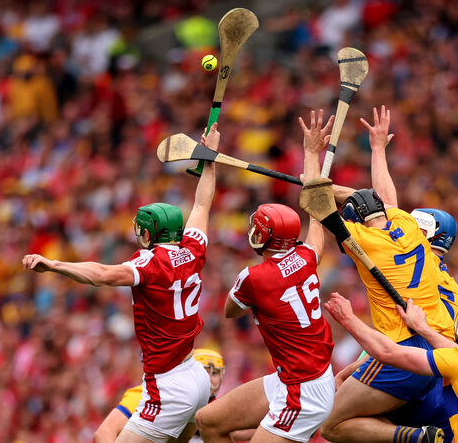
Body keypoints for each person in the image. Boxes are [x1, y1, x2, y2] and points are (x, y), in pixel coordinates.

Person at [23, 124, 221, 443]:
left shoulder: (149, 263)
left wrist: (55, 265)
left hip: (167, 384)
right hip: (195, 375)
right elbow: (201, 205)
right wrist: (209, 159)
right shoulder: (194, 247)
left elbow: (102, 275)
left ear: (149, 233)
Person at [196, 110, 336, 443]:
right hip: (293, 378)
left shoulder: (253, 278)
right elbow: (317, 216)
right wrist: (312, 155)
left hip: (302, 391)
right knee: (208, 421)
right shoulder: (308, 256)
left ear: (260, 236)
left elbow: (230, 312)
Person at [319, 107, 456, 443]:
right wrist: (378, 151)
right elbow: (386, 205)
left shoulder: (394, 247)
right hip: (434, 364)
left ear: (428, 234)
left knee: (332, 425)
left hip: (410, 357)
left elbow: (382, 205)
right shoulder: (441, 273)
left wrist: (318, 179)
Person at [324, 293, 458, 442]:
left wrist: (347, 318)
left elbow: (388, 353)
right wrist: (422, 327)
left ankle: (417, 436)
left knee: (330, 426)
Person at [95, 348, 227, 443]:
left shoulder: (213, 408)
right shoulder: (149, 393)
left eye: (215, 373)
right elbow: (104, 433)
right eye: (204, 371)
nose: (209, 379)